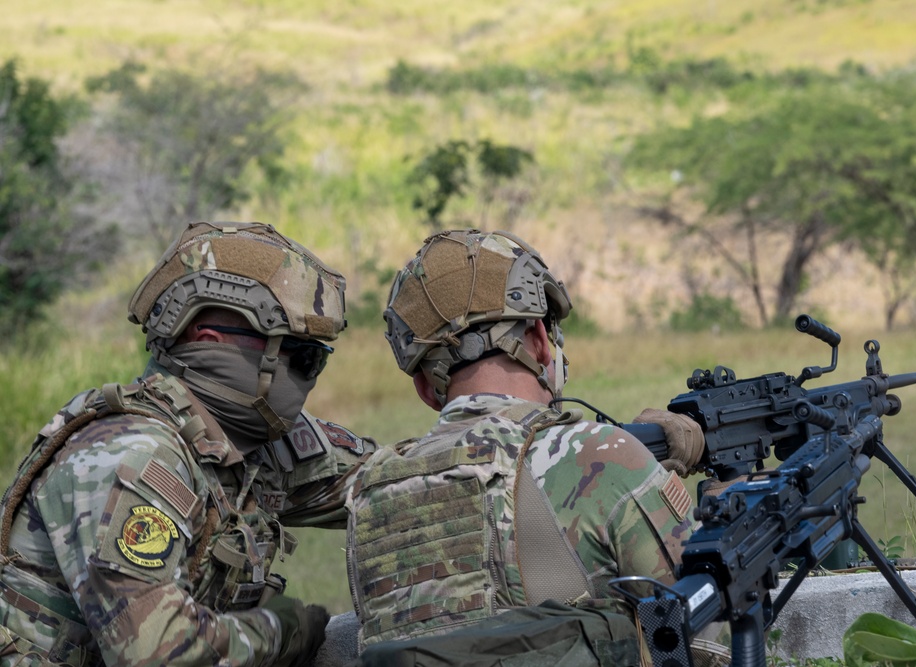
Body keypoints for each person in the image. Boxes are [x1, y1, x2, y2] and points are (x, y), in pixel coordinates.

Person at [0, 222, 375, 667]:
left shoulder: (243, 440)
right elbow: (156, 652)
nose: (309, 377)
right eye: (302, 355)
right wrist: (284, 631)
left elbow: (394, 476)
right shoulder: (134, 453)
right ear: (210, 343)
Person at [345, 229, 723, 666]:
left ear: (425, 388)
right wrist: (721, 519)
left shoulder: (370, 492)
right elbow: (709, 635)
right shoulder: (597, 455)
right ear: (541, 340)